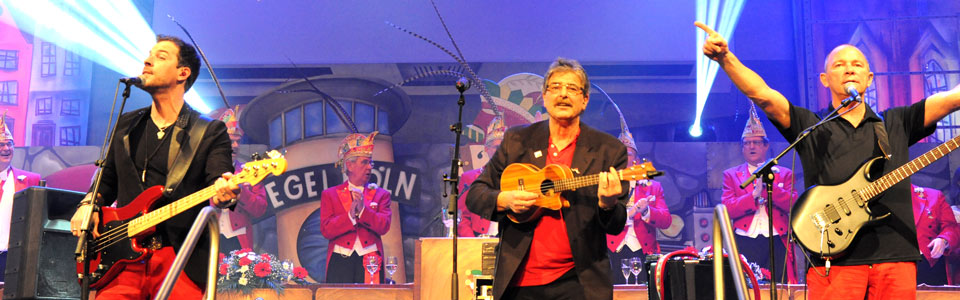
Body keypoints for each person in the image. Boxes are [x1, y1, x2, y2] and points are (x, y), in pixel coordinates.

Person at [697, 21, 960, 299]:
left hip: (894, 259)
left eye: (857, 64)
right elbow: (764, 96)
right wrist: (725, 58)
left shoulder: (897, 122)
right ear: (824, 79)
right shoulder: (811, 126)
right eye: (839, 64)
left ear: (870, 77)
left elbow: (950, 99)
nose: (849, 69)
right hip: (833, 260)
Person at [69, 35, 239, 299]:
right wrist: (88, 204)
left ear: (183, 73)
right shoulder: (127, 125)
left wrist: (225, 192)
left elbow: (219, 181)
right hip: (122, 260)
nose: (147, 61)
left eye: (160, 57)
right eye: (149, 55)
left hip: (178, 257)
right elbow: (108, 178)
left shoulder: (209, 131)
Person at [465, 57, 629, 300]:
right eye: (556, 87)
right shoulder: (516, 141)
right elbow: (476, 194)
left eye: (572, 88)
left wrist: (608, 204)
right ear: (544, 96)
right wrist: (504, 199)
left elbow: (616, 225)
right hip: (519, 281)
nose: (563, 94)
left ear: (584, 100)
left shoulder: (609, 150)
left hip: (579, 282)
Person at [720, 106, 798, 284]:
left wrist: (770, 188)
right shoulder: (731, 175)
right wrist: (753, 196)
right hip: (745, 238)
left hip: (777, 238)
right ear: (742, 148)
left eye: (756, 142)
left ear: (766, 145)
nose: (751, 146)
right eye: (747, 143)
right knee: (746, 286)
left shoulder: (784, 174)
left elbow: (793, 205)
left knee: (780, 286)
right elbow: (727, 209)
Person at [319, 131, 392, 284]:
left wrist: (364, 211)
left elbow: (384, 226)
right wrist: (350, 217)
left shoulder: (381, 195)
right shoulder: (330, 194)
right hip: (340, 261)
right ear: (350, 165)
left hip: (370, 261)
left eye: (371, 163)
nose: (369, 167)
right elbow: (326, 230)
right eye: (364, 162)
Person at [605, 131, 671, 284]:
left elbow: (666, 220)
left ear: (636, 160)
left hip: (643, 251)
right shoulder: (605, 186)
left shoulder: (653, 187)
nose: (622, 156)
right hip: (612, 251)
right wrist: (630, 213)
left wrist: (646, 211)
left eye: (627, 153)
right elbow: (600, 220)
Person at [214, 106, 267, 254]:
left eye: (238, 141)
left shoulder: (249, 172)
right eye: (231, 141)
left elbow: (260, 209)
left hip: (239, 239)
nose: (236, 146)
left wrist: (241, 193)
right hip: (209, 236)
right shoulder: (204, 172)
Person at [0, 112, 41, 282]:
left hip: (13, 259)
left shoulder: (31, 180)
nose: (6, 149)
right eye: (1, 144)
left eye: (9, 144)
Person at [456, 117, 505, 237]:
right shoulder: (470, 178)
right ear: (486, 149)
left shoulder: (516, 176)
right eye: (496, 147)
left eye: (503, 148)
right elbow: (462, 216)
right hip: (479, 238)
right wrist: (472, 242)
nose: (500, 151)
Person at [911, 184, 960, 285]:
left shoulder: (933, 195)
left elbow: (951, 227)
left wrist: (943, 240)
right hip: (890, 263)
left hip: (928, 263)